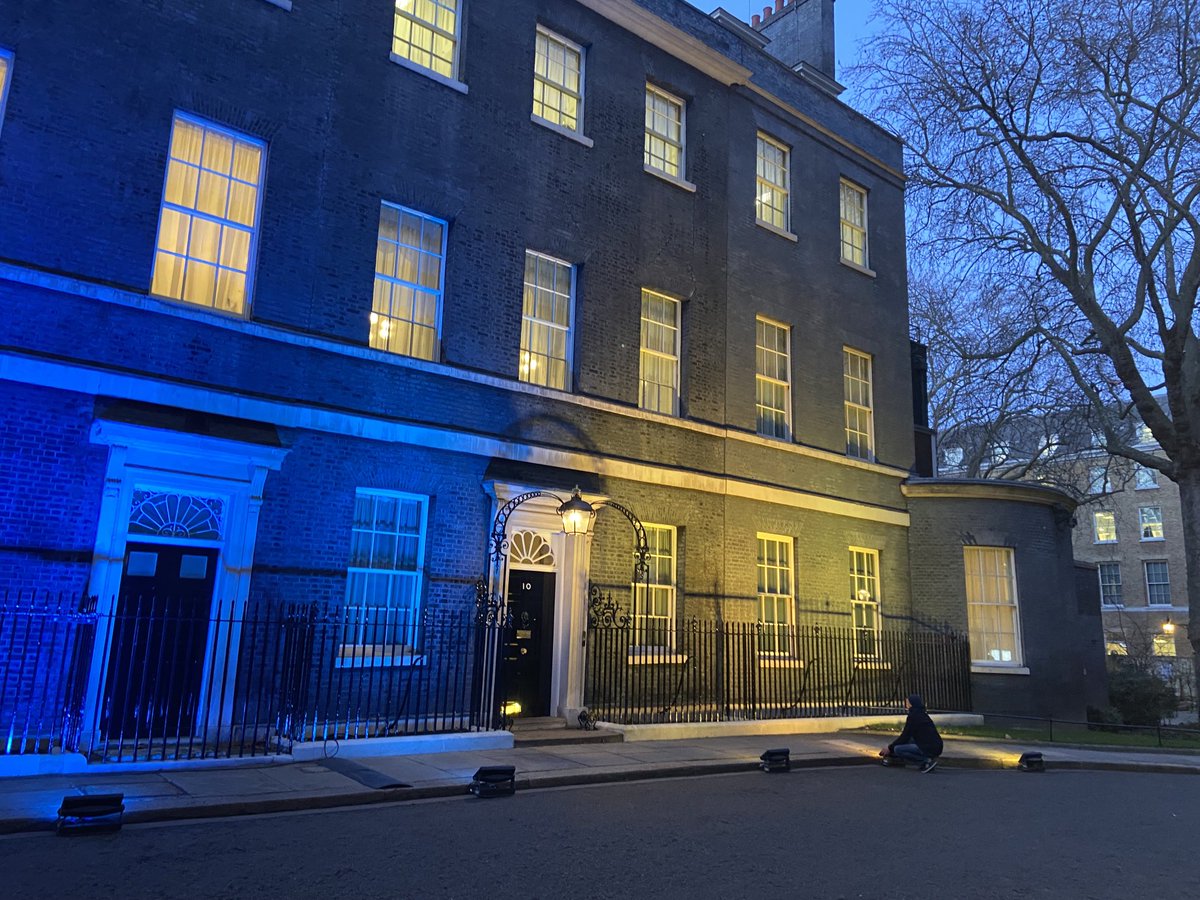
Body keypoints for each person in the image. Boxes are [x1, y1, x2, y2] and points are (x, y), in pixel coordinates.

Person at [879, 693, 943, 773]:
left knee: (898, 749)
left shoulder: (913, 716)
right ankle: (897, 759)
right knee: (910, 740)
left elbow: (905, 736)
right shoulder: (923, 714)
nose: (906, 705)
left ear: (912, 704)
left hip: (928, 747)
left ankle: (925, 761)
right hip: (936, 745)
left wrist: (890, 748)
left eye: (908, 703)